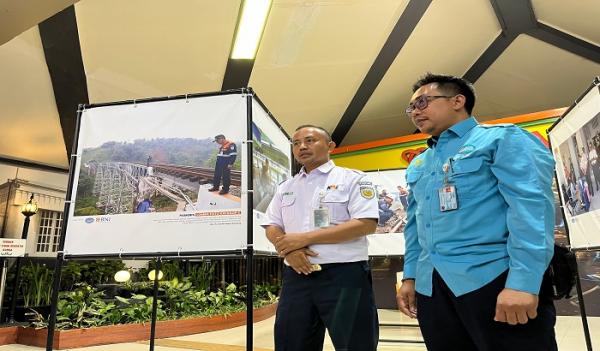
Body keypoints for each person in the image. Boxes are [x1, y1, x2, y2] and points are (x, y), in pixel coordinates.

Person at [396, 73, 557, 350]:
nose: (415, 112)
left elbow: (532, 210)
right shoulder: (421, 163)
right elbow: (414, 225)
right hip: (432, 286)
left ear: (458, 101)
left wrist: (523, 282)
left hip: (495, 279)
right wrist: (410, 276)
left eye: (423, 102)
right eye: (411, 107)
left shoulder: (501, 139)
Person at [262, 125, 379, 351]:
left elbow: (366, 224)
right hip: (296, 277)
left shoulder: (353, 179)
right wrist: (290, 250)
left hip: (344, 275)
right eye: (296, 143)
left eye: (310, 140)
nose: (302, 147)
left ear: (330, 146)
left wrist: (303, 239)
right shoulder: (286, 187)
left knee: (355, 344)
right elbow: (271, 224)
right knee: (291, 343)